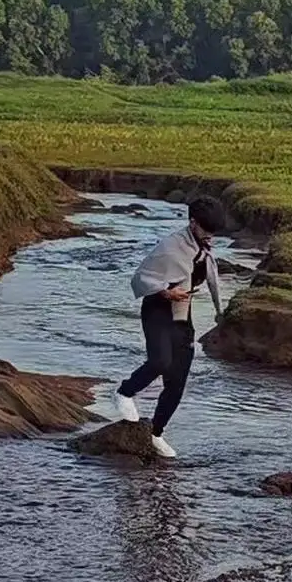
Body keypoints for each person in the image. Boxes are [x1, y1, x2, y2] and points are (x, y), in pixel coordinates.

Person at [110, 196, 226, 458]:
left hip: (182, 313)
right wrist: (164, 291)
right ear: (193, 223)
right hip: (157, 309)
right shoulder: (170, 247)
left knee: (177, 381)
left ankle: (156, 433)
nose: (211, 236)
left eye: (214, 231)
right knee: (161, 362)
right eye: (207, 230)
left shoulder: (204, 248)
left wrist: (221, 314)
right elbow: (141, 277)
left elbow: (210, 280)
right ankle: (124, 392)